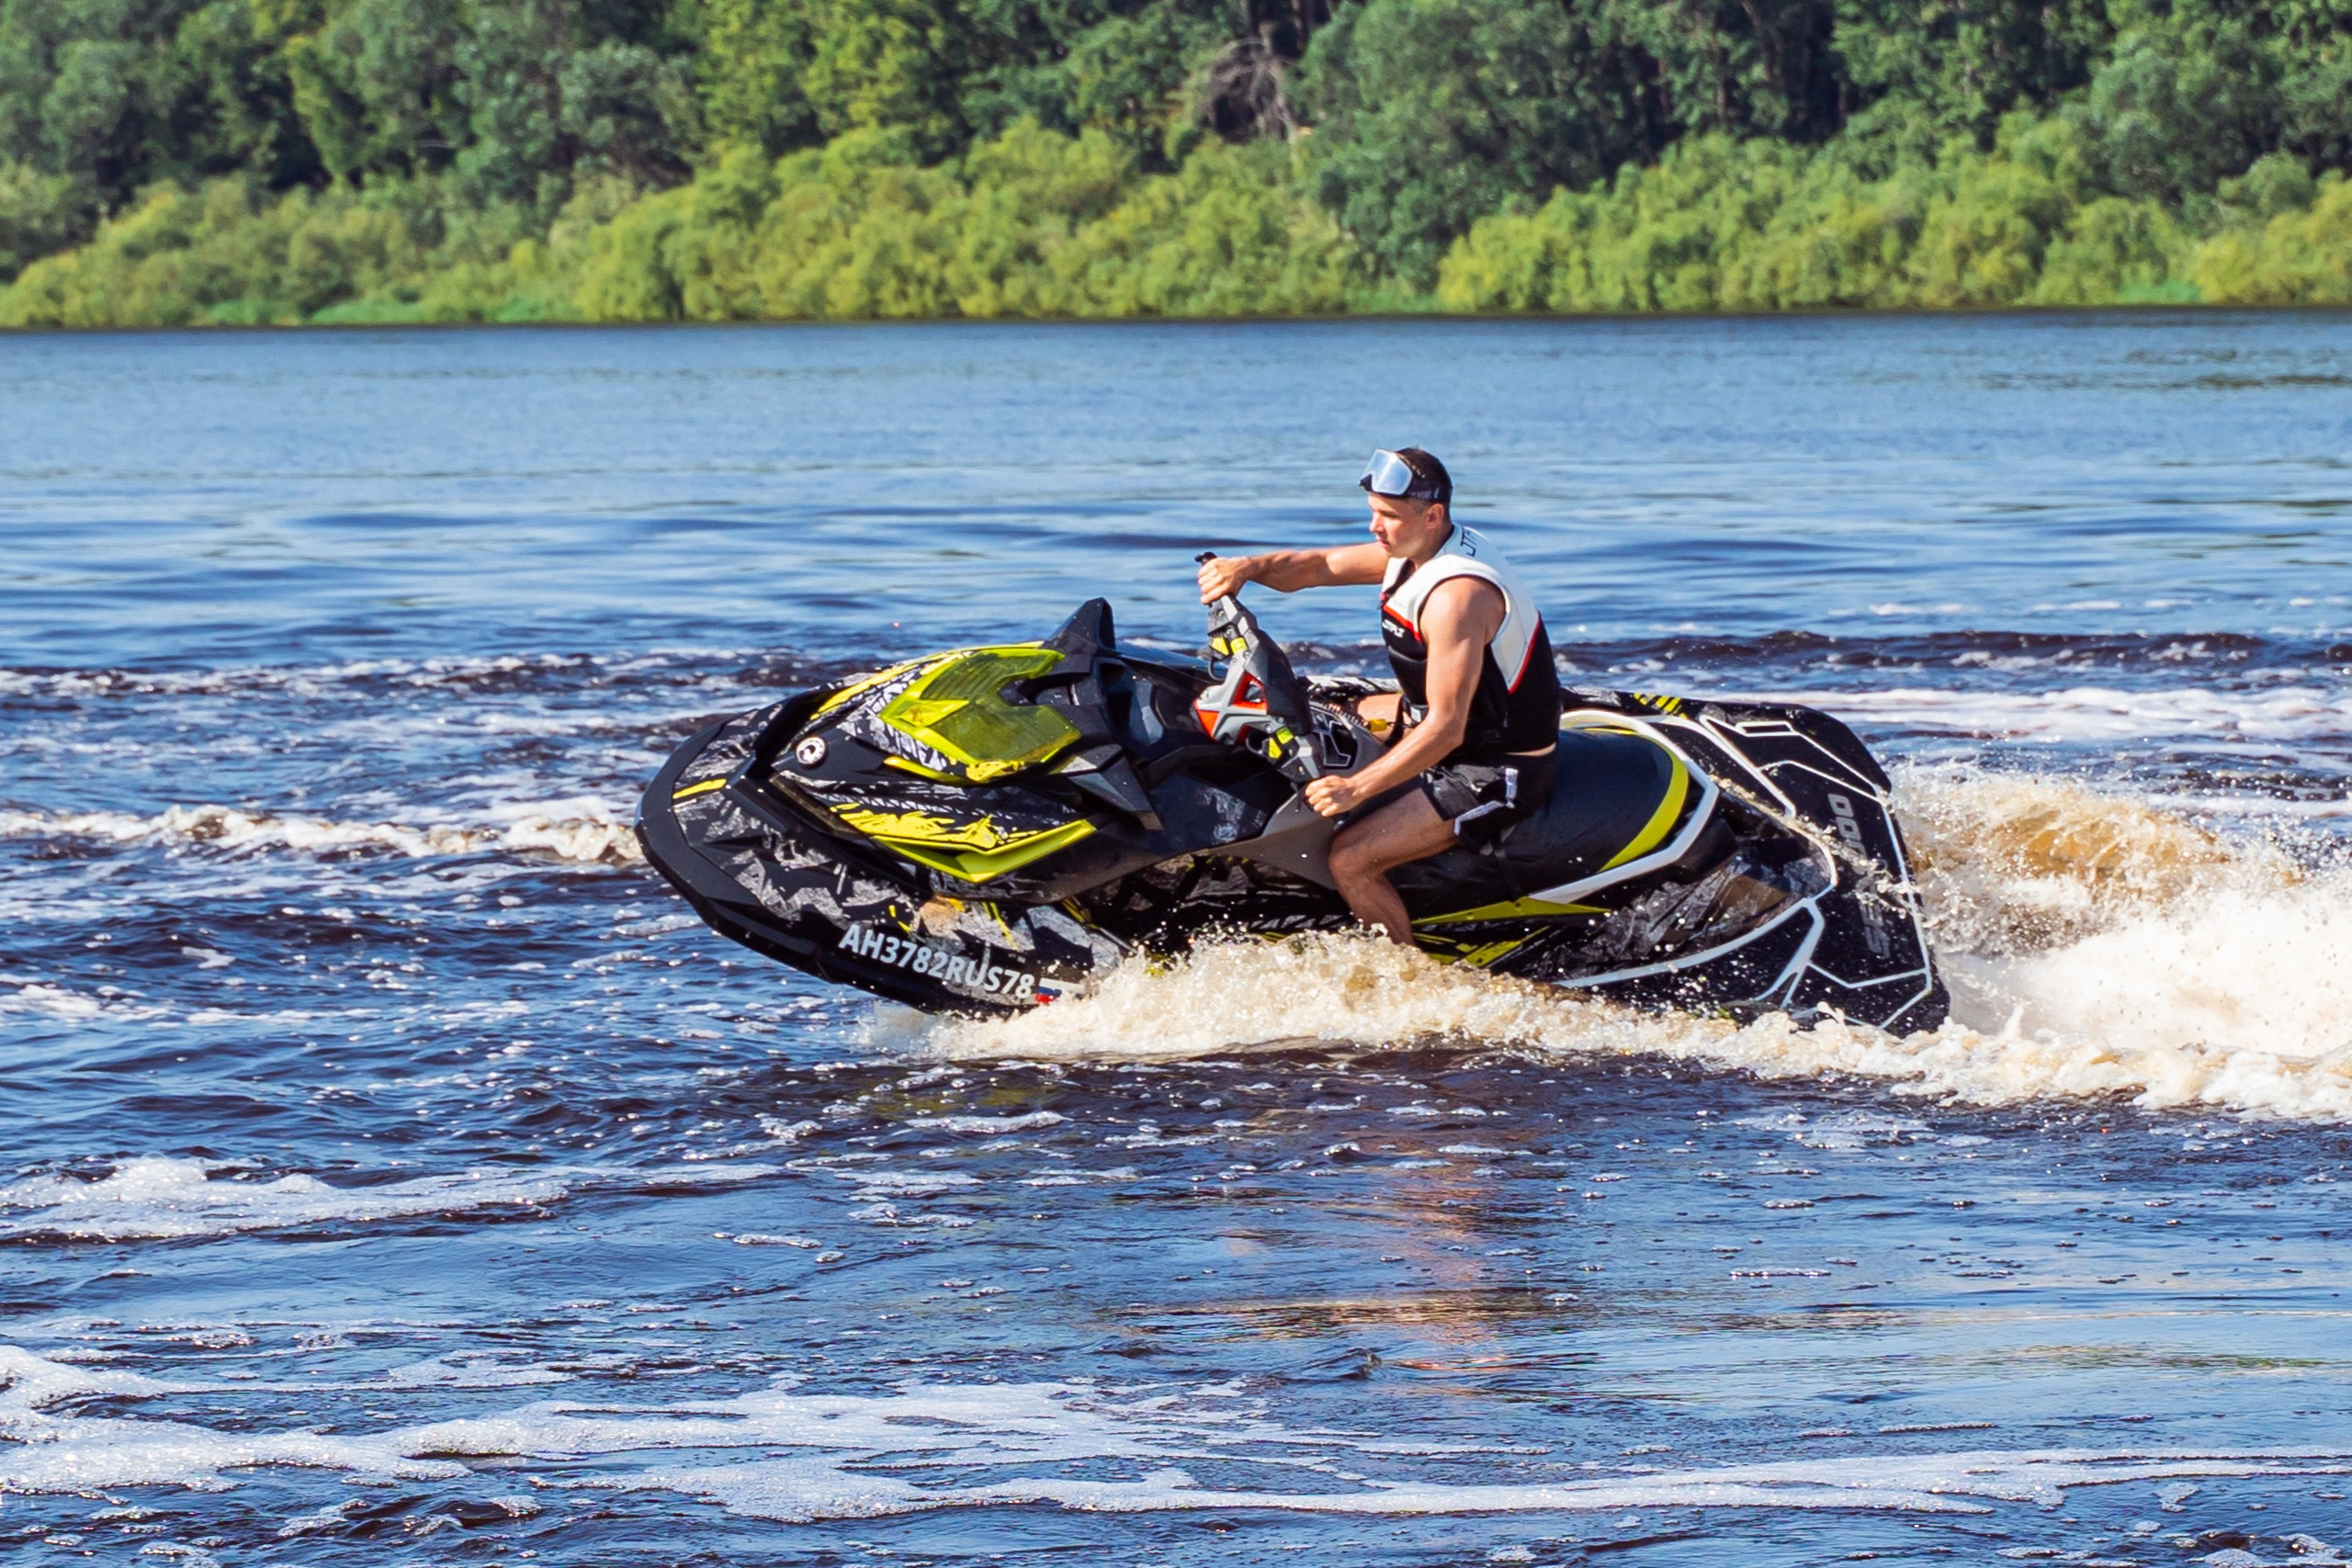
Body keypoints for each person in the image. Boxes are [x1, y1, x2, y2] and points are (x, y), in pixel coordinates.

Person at [1195, 447, 1563, 944]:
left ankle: (1404, 975)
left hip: (1492, 769)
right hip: (1436, 723)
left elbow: (1447, 728)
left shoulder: (1457, 598)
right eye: (1372, 511)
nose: (1374, 527)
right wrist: (1246, 567)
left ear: (1432, 516)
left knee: (1350, 858)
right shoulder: (1414, 551)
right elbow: (1321, 566)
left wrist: (1355, 789)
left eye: (1388, 515)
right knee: (1318, 709)